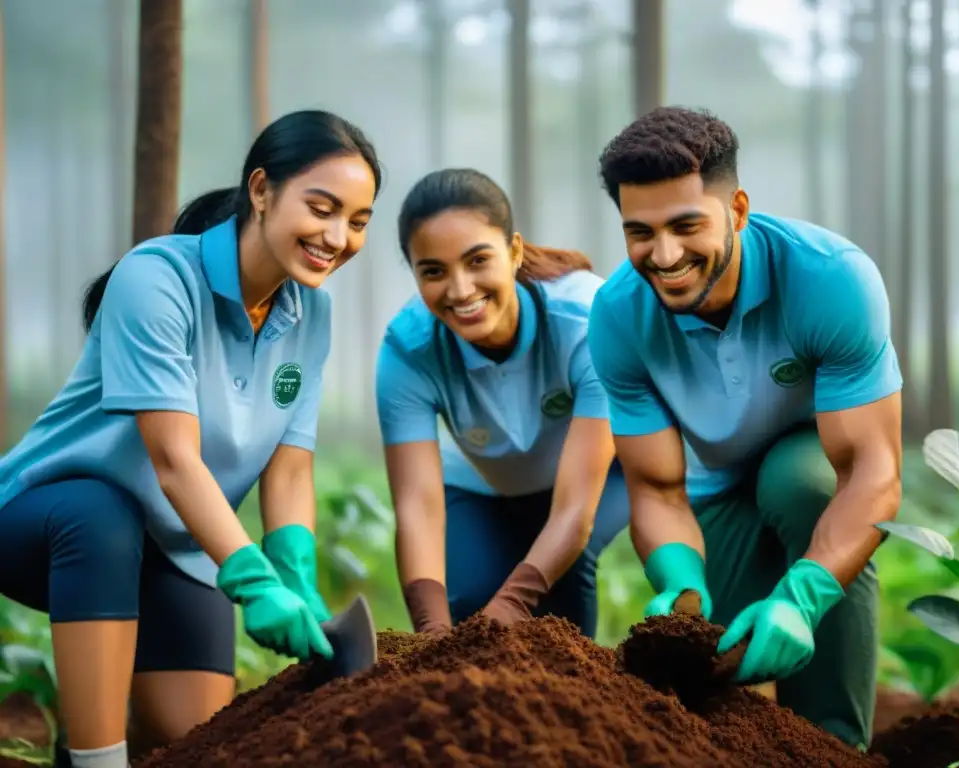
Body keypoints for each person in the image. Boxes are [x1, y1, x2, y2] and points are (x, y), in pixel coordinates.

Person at [0, 109, 382, 768]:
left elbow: (288, 470)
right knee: (102, 516)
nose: (337, 236)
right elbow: (173, 459)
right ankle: (95, 761)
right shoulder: (156, 279)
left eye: (357, 221)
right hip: (46, 525)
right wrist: (253, 583)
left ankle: (85, 741)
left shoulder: (310, 308)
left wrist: (295, 575)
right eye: (322, 209)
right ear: (261, 191)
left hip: (175, 548)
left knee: (190, 740)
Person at [587, 106, 902, 749]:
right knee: (706, 673)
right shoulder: (618, 317)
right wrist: (679, 580)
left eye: (686, 225)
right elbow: (656, 490)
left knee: (800, 481)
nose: (664, 255)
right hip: (712, 497)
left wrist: (804, 597)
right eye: (639, 232)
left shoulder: (830, 279)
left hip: (809, 472)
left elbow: (871, 473)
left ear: (736, 210)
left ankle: (834, 748)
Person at [374, 168, 630, 639]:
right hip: (479, 486)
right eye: (433, 271)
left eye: (477, 261)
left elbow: (575, 509)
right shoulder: (407, 349)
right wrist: (432, 631)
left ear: (513, 251)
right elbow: (417, 506)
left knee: (559, 600)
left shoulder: (587, 319)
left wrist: (512, 605)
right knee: (469, 604)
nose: (460, 290)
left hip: (595, 474)